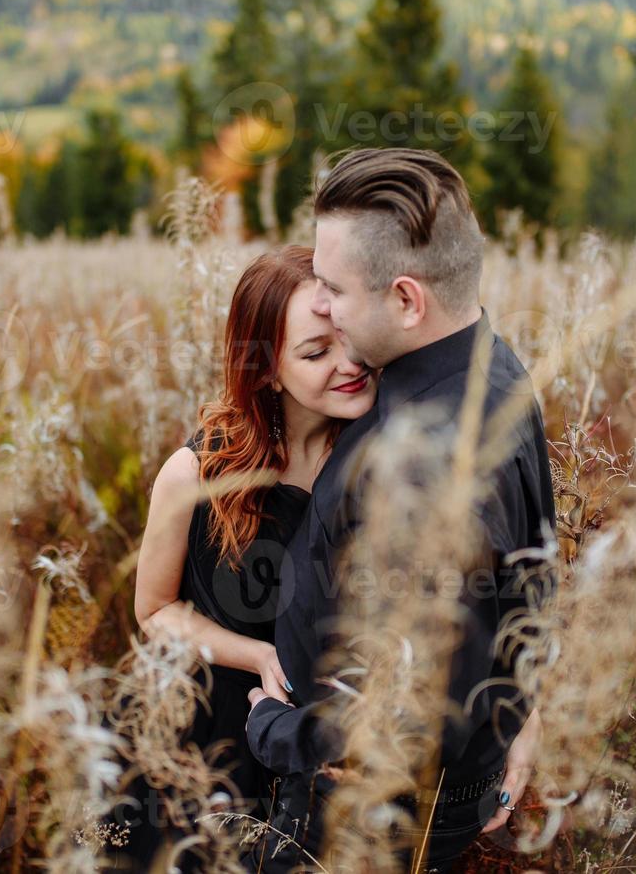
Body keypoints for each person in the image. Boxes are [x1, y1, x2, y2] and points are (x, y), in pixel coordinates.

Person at [244, 148, 556, 873]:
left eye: (333, 288)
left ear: (407, 300)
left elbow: (420, 713)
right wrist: (523, 703)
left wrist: (278, 732)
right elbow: (522, 584)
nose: (318, 304)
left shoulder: (423, 465)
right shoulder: (487, 363)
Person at [110, 244, 376, 870]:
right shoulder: (196, 475)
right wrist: (259, 655)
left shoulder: (381, 455)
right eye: (316, 352)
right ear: (265, 370)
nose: (350, 363)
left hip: (328, 746)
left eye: (351, 338)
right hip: (209, 736)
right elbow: (154, 610)